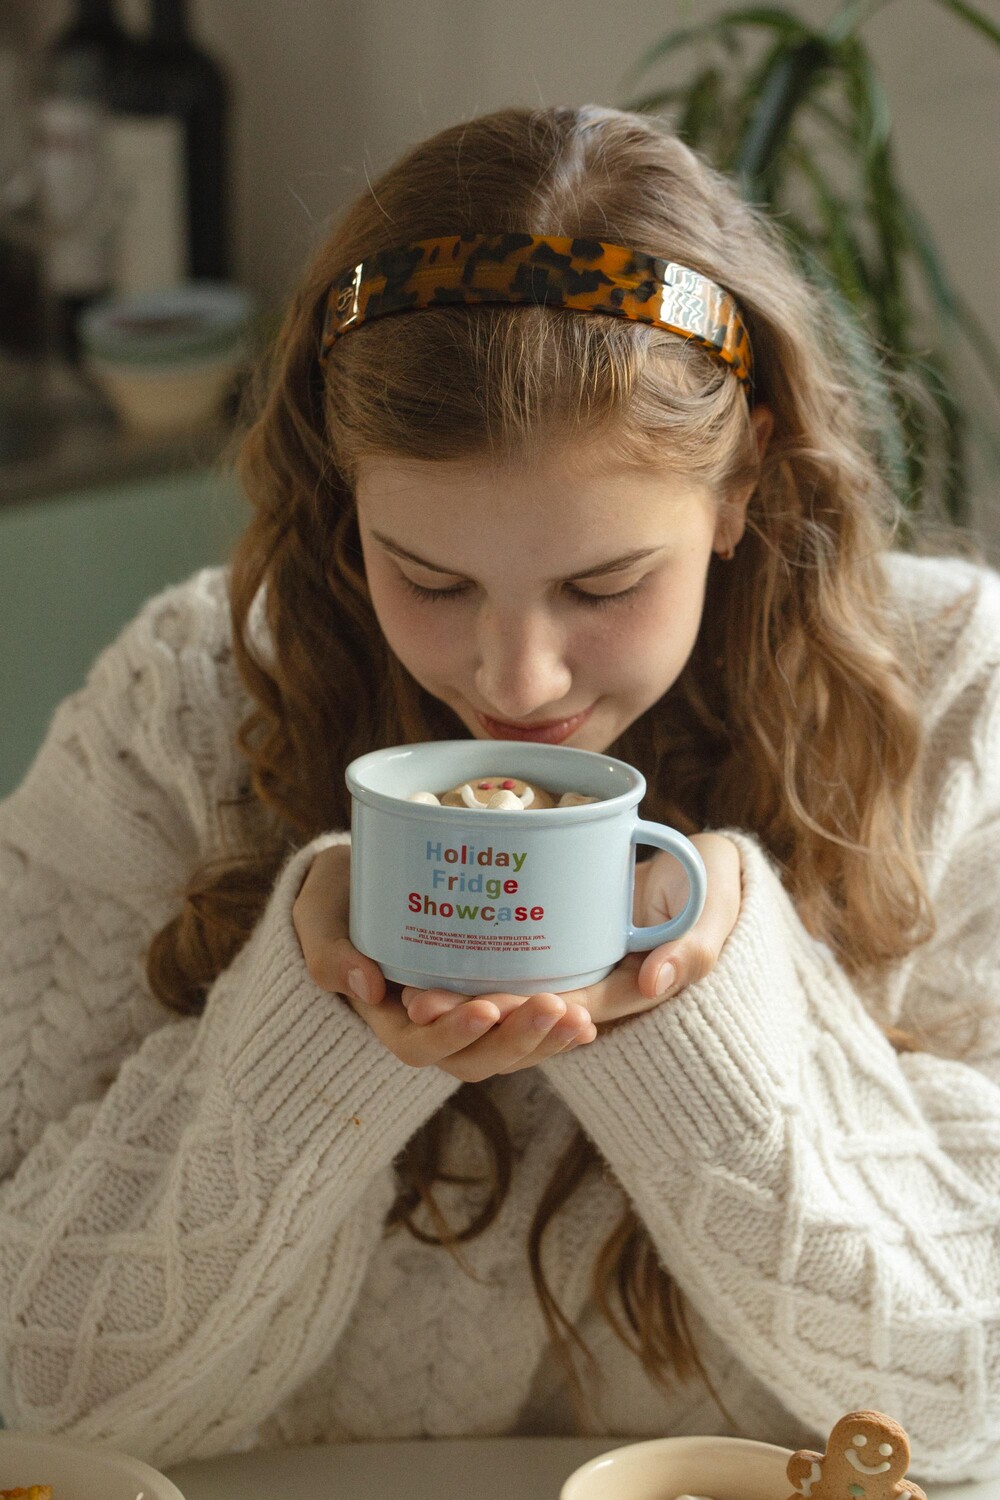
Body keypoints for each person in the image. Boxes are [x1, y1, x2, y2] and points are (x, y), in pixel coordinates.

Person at [1, 103, 998, 1482]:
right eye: (429, 577)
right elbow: (34, 1393)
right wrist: (314, 1024)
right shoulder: (184, 712)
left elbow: (967, 1409)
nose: (516, 678)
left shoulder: (952, 702)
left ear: (742, 480)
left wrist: (708, 1006)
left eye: (602, 585)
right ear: (343, 495)